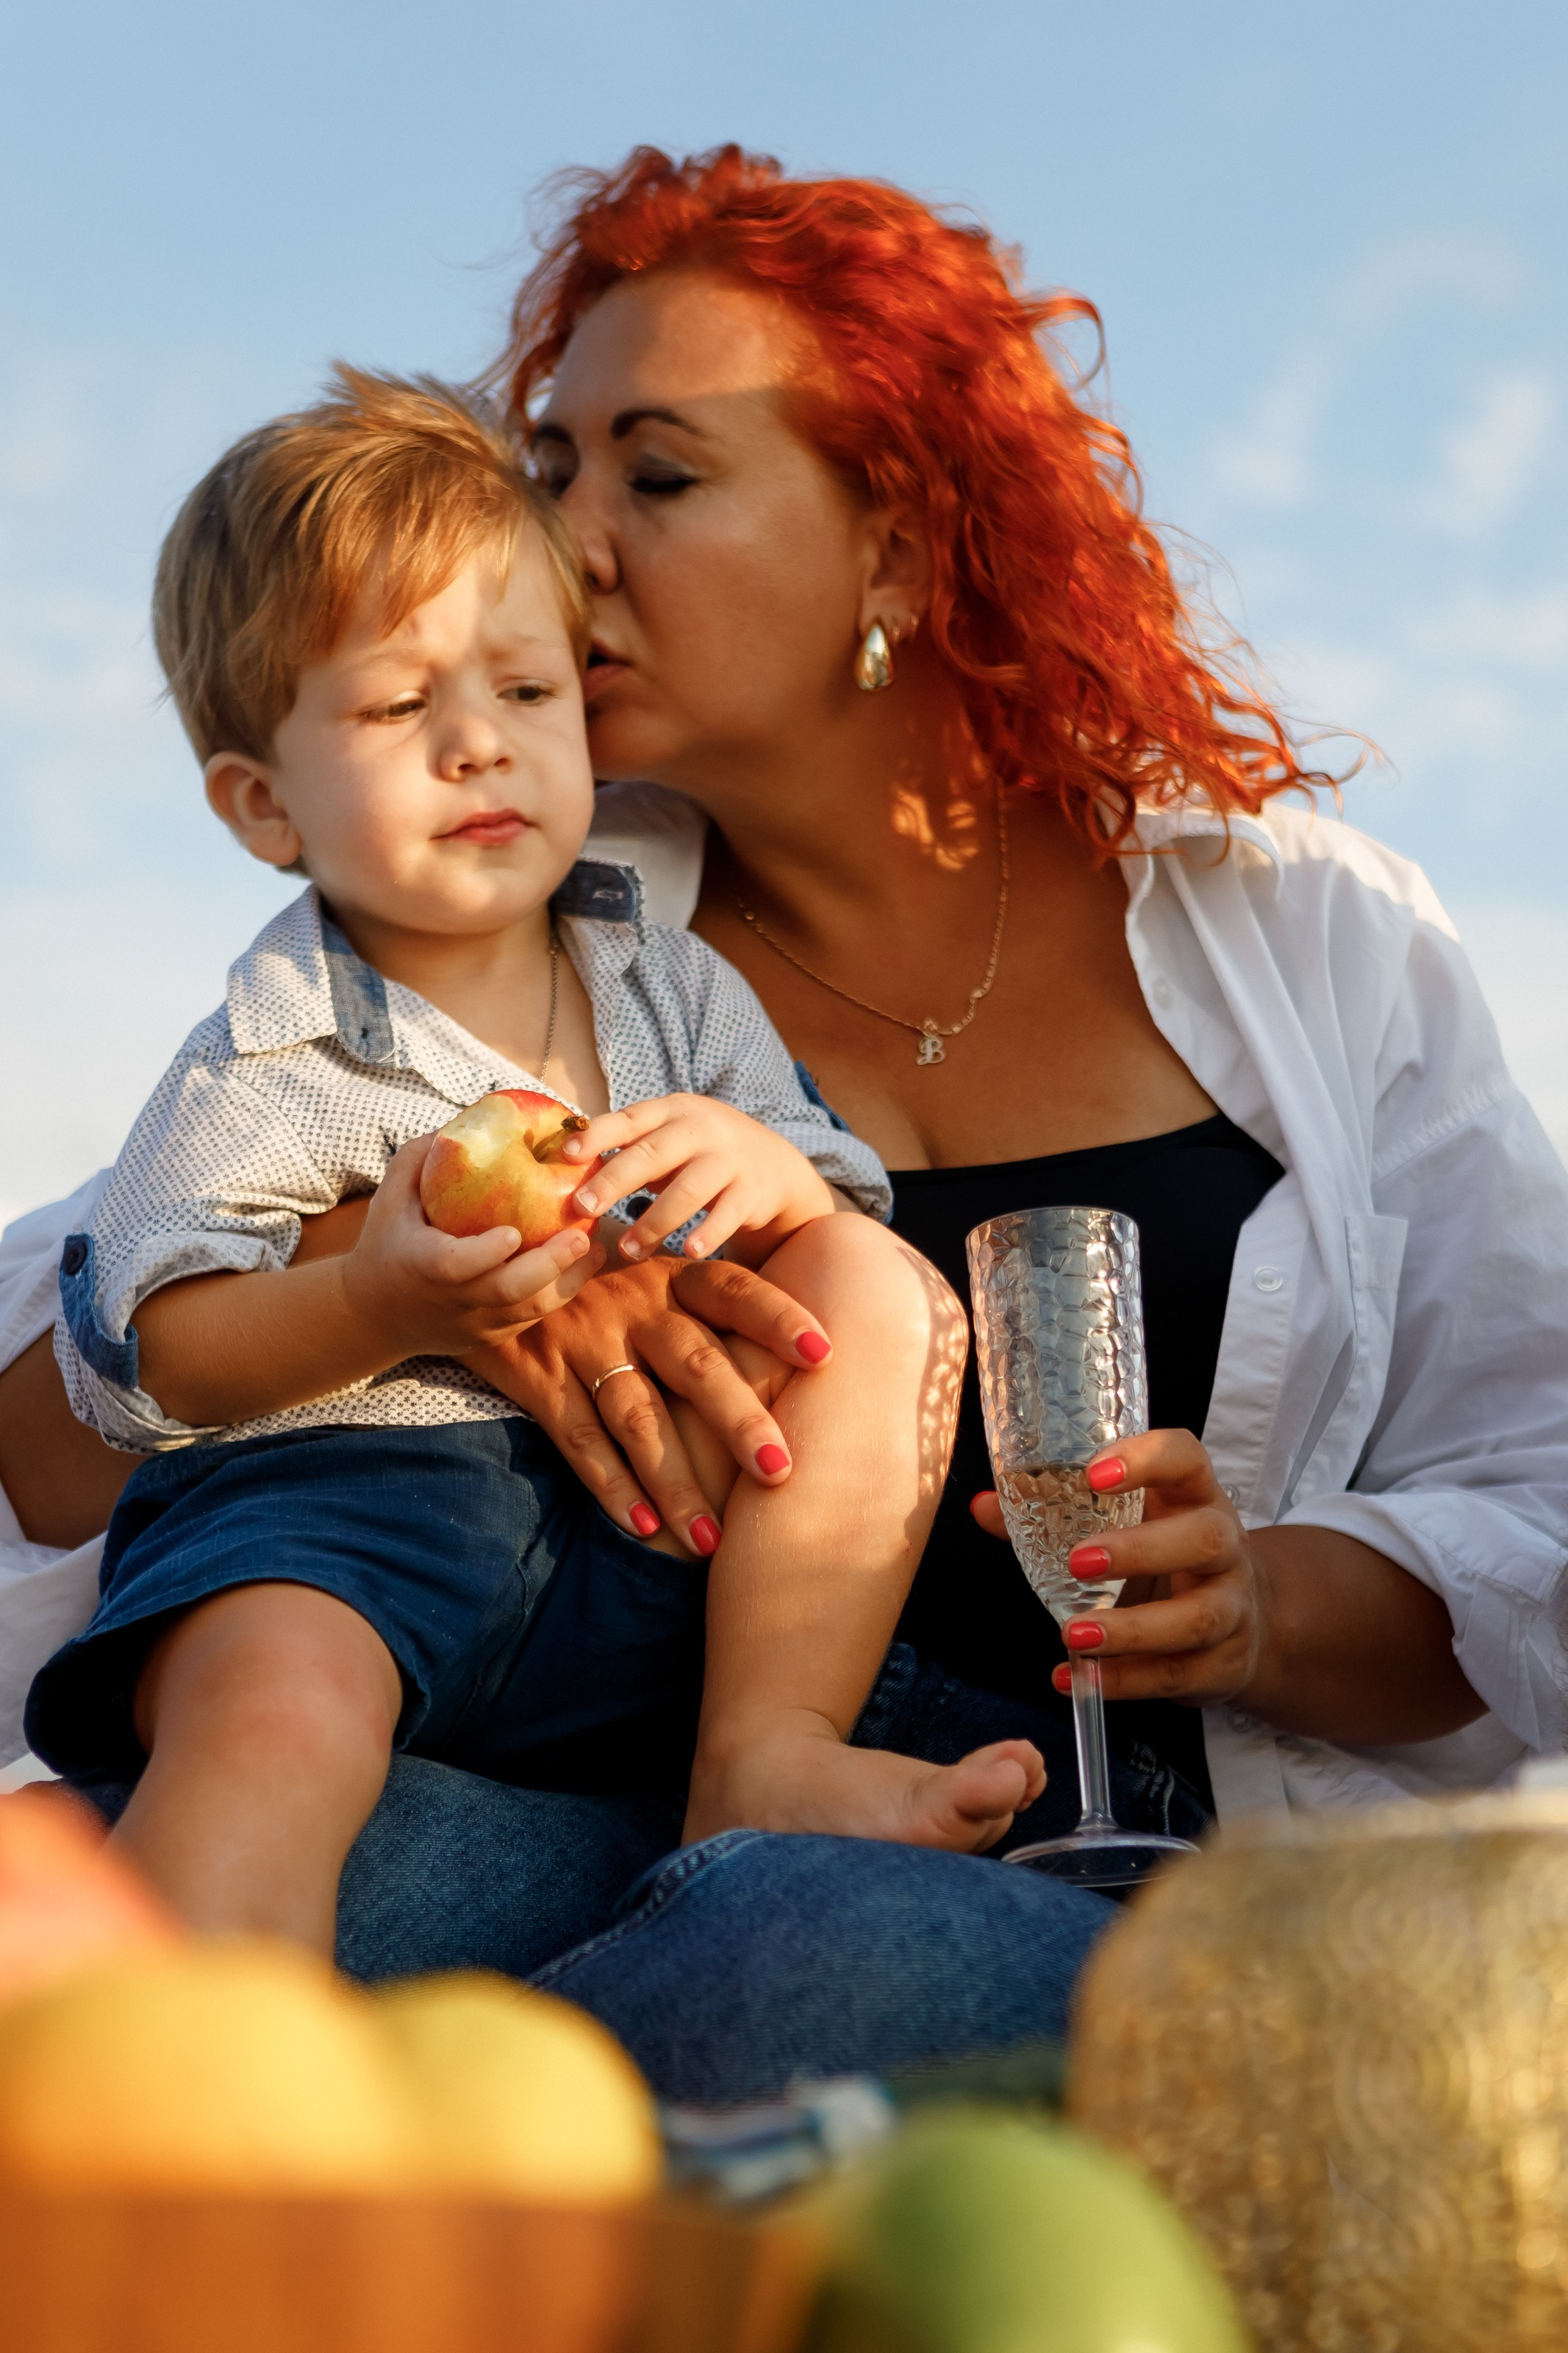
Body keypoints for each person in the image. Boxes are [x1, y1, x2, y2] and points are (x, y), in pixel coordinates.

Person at [4, 146, 1566, 2102]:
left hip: (1023, 1853)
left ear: (897, 547)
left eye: (654, 476)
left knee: (828, 1948)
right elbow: (46, 1434)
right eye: (547, 469)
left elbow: (1536, 1520)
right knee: (180, 1853)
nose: (562, 547)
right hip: (571, 1817)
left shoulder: (1308, 940)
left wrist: (1251, 1601)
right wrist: (392, 1283)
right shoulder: (500, 924)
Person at [21, 363, 1042, 1953]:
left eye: (524, 691)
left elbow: (825, 1201)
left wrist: (767, 1172)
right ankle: (193, 2101)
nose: (476, 745)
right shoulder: (268, 1049)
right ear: (260, 806)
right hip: (332, 1517)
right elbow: (134, 1353)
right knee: (270, 1715)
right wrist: (374, 1299)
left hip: (641, 1560)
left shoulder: (674, 985)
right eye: (393, 705)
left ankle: (761, 1748)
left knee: (880, 1278)